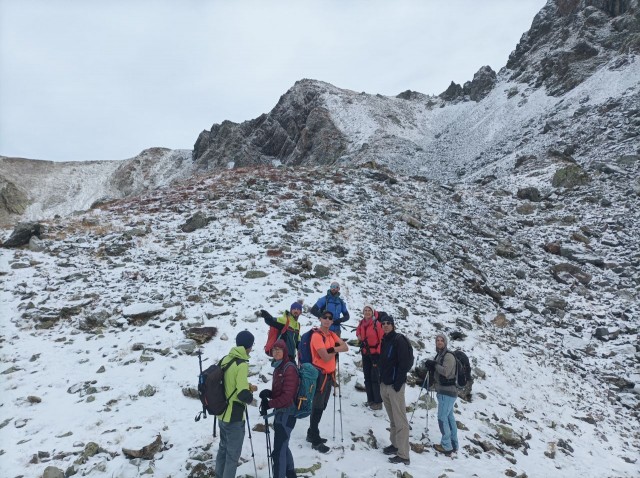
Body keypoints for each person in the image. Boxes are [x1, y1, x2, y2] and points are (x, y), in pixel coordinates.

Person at [215, 330, 258, 478]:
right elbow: (241, 394)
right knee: (232, 456)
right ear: (249, 346)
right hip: (234, 416)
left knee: (222, 450)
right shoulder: (242, 364)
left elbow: (229, 383)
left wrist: (247, 385)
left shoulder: (226, 359)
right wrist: (251, 396)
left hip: (221, 413)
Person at [306, 310, 349, 453]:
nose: (327, 320)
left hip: (329, 375)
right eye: (324, 317)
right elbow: (324, 357)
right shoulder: (316, 336)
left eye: (330, 318)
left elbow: (345, 347)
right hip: (319, 375)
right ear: (320, 319)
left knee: (322, 405)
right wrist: (335, 350)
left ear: (332, 321)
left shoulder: (331, 334)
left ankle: (311, 432)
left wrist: (332, 349)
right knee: (317, 406)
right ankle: (314, 438)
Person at [259, 339, 300, 478]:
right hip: (281, 413)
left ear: (285, 351)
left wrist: (269, 404)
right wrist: (269, 394)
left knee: (279, 451)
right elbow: (281, 392)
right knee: (283, 446)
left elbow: (288, 397)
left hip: (287, 414)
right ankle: (290, 473)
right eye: (274, 350)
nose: (276, 352)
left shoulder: (289, 369)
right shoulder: (279, 367)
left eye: (279, 349)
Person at [378, 315, 412, 465]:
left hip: (395, 386)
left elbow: (405, 363)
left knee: (400, 420)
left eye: (388, 323)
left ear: (393, 325)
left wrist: (398, 383)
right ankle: (395, 444)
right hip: (385, 384)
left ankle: (404, 454)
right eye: (383, 323)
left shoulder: (399, 340)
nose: (385, 325)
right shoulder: (385, 340)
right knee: (392, 419)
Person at [425, 333, 459, 456]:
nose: (439, 342)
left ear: (445, 343)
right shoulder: (440, 355)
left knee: (442, 418)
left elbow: (445, 372)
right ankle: (454, 444)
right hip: (445, 392)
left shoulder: (448, 356)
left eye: (441, 340)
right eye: (437, 340)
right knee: (449, 418)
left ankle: (446, 446)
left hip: (447, 392)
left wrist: (434, 365)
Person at [355, 305, 384, 410]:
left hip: (375, 354)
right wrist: (358, 335)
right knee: (367, 377)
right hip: (365, 352)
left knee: (375, 377)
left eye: (369, 310)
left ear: (373, 312)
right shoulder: (362, 322)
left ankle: (378, 402)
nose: (367, 312)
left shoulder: (377, 324)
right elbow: (358, 330)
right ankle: (370, 400)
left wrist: (379, 354)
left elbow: (382, 340)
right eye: (365, 310)